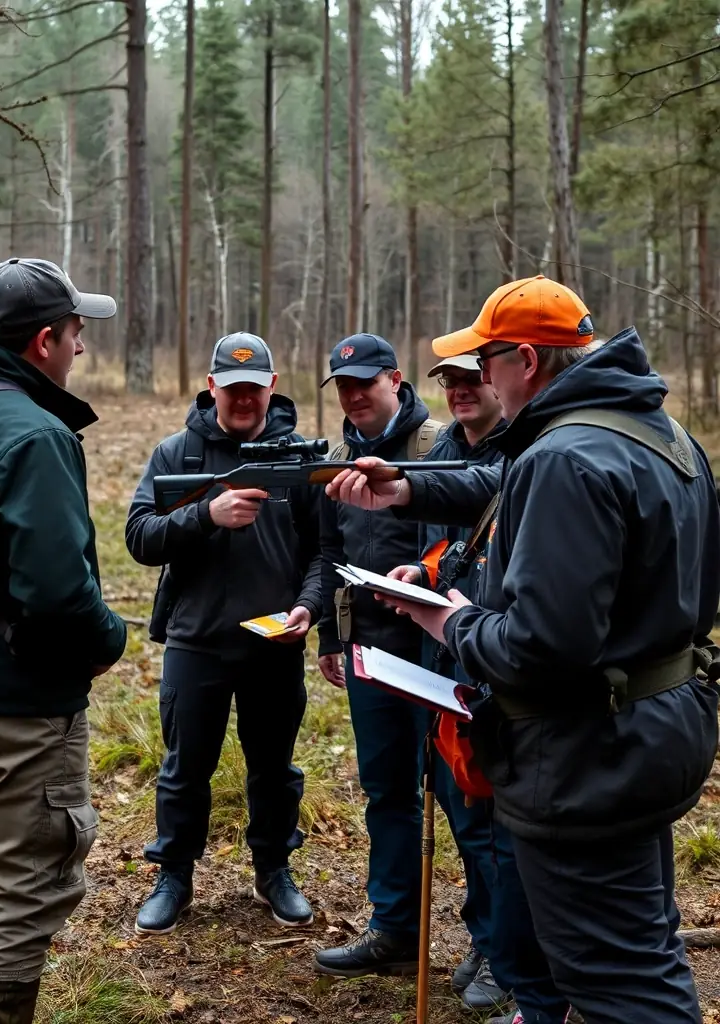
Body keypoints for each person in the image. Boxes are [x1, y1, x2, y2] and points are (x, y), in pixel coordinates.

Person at [323, 275, 720, 1024]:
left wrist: (451, 617)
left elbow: (537, 647)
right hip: (656, 729)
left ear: (527, 362)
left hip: (586, 759)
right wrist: (404, 488)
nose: (479, 381)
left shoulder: (566, 456)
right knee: (640, 947)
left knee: (611, 978)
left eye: (487, 362)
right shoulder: (659, 434)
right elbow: (515, 485)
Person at [0, 258, 127, 1024]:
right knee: (25, 888)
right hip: (15, 707)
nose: (82, 348)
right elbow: (59, 597)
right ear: (46, 340)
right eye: (78, 332)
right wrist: (109, 637)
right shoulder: (32, 432)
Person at [390, 352, 574, 1024]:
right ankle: (487, 937)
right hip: (449, 651)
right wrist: (425, 572)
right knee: (462, 808)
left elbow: (497, 516)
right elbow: (454, 546)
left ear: (509, 376)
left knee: (501, 823)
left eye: (475, 377)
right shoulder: (441, 448)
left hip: (500, 659)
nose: (465, 390)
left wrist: (407, 488)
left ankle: (514, 959)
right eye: (453, 383)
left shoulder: (531, 452)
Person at [126, 332, 322, 935]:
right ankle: (174, 876)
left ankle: (273, 870)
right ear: (211, 387)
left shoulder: (299, 458)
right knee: (185, 767)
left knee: (275, 768)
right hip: (197, 638)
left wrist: (309, 608)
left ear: (272, 388)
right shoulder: (176, 454)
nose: (243, 400)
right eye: (231, 389)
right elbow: (138, 536)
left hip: (274, 644)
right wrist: (203, 516)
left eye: (254, 390)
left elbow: (323, 551)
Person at [315, 332, 464, 977]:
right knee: (387, 793)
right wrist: (330, 635)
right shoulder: (340, 459)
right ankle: (394, 926)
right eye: (344, 388)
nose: (353, 398)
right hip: (370, 655)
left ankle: (491, 943)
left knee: (464, 798)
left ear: (396, 381)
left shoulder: (438, 450)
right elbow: (330, 558)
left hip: (438, 658)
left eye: (365, 385)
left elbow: (463, 549)